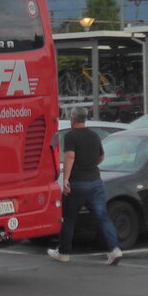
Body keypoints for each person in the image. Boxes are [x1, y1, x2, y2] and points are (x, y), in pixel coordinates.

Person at [48, 106, 122, 265]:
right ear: (85, 119)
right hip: (95, 182)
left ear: (72, 120)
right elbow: (101, 157)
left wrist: (66, 179)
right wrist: (90, 165)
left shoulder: (70, 136)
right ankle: (114, 250)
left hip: (77, 183)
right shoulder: (94, 136)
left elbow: (70, 157)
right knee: (102, 217)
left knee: (69, 219)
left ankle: (64, 252)